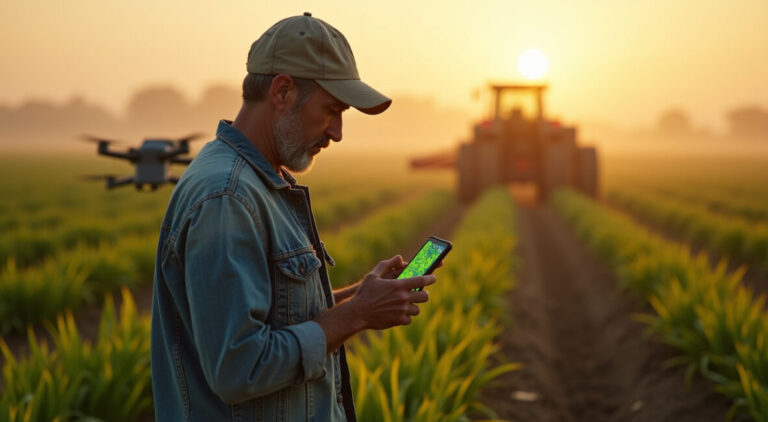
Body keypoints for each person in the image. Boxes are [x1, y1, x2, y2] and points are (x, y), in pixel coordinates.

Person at [150, 13, 437, 421]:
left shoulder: (259, 183)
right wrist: (356, 315)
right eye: (331, 110)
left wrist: (362, 297)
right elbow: (238, 367)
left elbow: (277, 320)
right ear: (282, 91)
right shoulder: (227, 198)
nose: (337, 132)